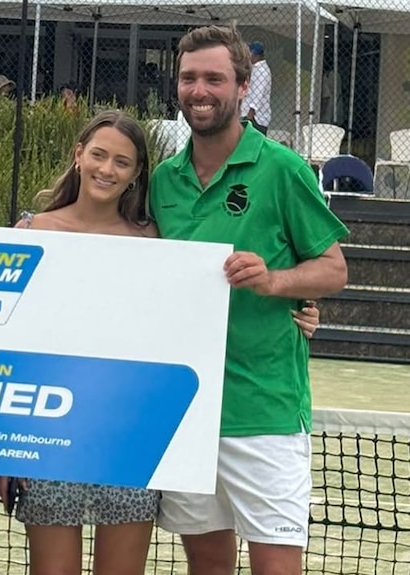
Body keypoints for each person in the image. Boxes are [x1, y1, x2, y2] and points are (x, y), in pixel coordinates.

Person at [0, 109, 323, 575]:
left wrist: (296, 307)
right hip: (49, 436)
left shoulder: (154, 240)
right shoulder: (29, 233)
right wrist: (3, 447)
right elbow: (7, 344)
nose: (107, 169)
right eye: (98, 155)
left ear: (136, 173)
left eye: (122, 162)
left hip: (131, 437)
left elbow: (195, 305)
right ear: (78, 155)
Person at [151, 25, 348, 575]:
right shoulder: (163, 179)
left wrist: (274, 282)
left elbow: (334, 269)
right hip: (186, 411)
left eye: (214, 78)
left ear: (242, 87)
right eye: (189, 78)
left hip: (265, 410)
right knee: (208, 567)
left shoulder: (283, 168)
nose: (200, 90)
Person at [240, 40, 271, 135]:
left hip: (256, 117)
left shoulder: (262, 71)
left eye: (250, 54)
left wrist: (251, 113)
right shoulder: (255, 68)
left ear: (256, 55)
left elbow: (258, 93)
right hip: (248, 113)